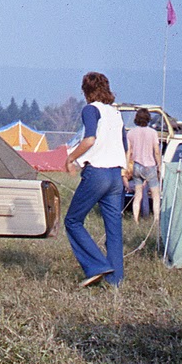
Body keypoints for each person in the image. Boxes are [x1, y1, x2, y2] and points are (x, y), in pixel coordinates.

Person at [64, 72, 127, 287]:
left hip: (97, 173)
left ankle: (97, 265)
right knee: (114, 229)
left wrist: (71, 158)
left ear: (86, 91)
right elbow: (124, 146)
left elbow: (89, 139)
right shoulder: (116, 113)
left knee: (72, 220)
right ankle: (115, 280)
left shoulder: (91, 110)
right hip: (115, 175)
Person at [126, 108, 161, 222]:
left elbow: (129, 151)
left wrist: (126, 166)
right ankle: (156, 220)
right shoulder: (153, 133)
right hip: (149, 165)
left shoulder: (130, 133)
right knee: (156, 195)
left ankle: (135, 219)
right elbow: (156, 151)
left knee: (138, 195)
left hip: (137, 166)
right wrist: (159, 165)